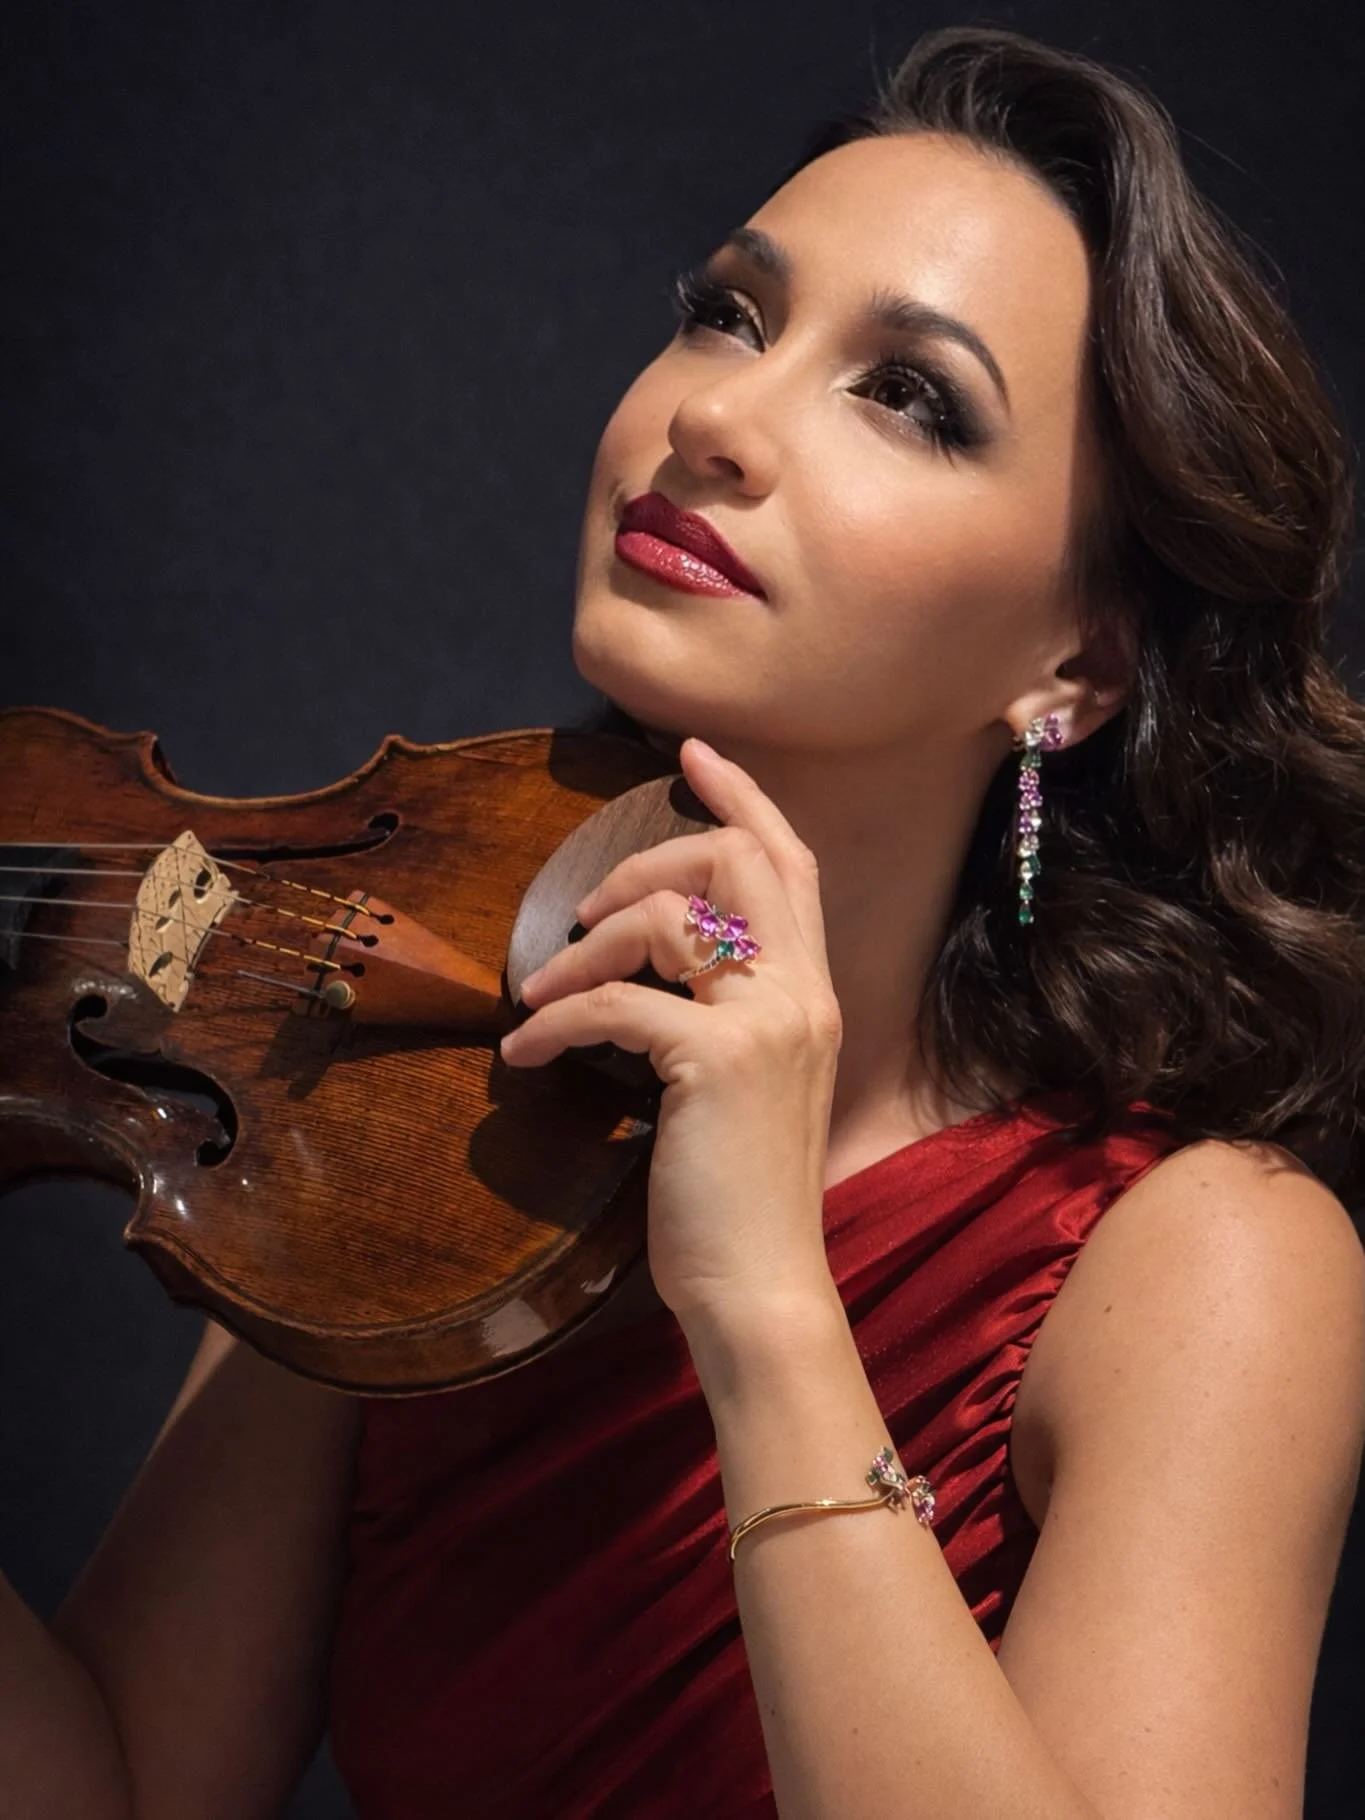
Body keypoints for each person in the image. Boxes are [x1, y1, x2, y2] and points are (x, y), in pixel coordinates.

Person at [5, 24, 1364, 1820]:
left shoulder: (1206, 1266)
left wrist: (762, 1303)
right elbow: (109, 1784)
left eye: (912, 397)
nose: (711, 416)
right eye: (728, 311)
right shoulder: (382, 1094)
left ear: (1080, 663)